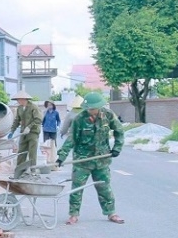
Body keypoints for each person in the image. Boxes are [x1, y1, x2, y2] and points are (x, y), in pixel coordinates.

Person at [56, 92, 125, 225]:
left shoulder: (108, 115)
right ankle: (73, 215)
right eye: (88, 108)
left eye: (93, 109)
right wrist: (61, 156)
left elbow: (119, 131)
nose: (90, 111)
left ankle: (111, 213)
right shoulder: (79, 119)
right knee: (77, 188)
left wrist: (117, 147)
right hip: (82, 160)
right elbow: (71, 139)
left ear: (99, 107)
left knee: (104, 187)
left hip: (101, 159)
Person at [8, 91, 42, 177]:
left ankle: (33, 171)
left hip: (33, 132)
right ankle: (19, 171)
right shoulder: (19, 108)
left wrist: (29, 127)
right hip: (23, 133)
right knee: (21, 152)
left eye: (19, 100)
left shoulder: (34, 107)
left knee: (32, 152)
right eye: (17, 100)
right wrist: (12, 131)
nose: (18, 101)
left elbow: (38, 119)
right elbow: (17, 120)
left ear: (24, 99)